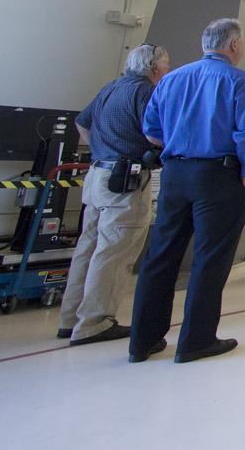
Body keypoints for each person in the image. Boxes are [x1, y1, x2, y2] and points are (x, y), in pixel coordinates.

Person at [128, 18, 245, 364]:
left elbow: (151, 130)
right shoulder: (239, 81)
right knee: (210, 259)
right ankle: (196, 340)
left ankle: (142, 340)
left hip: (175, 174)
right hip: (219, 176)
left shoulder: (171, 79)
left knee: (160, 257)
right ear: (234, 45)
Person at [57, 43, 170, 345]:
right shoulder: (146, 91)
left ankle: (70, 318)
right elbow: (153, 133)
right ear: (154, 68)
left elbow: (82, 123)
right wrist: (164, 149)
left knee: (88, 246)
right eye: (166, 65)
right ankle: (95, 322)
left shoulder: (111, 87)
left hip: (97, 175)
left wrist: (100, 149)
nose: (167, 70)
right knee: (114, 251)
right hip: (125, 181)